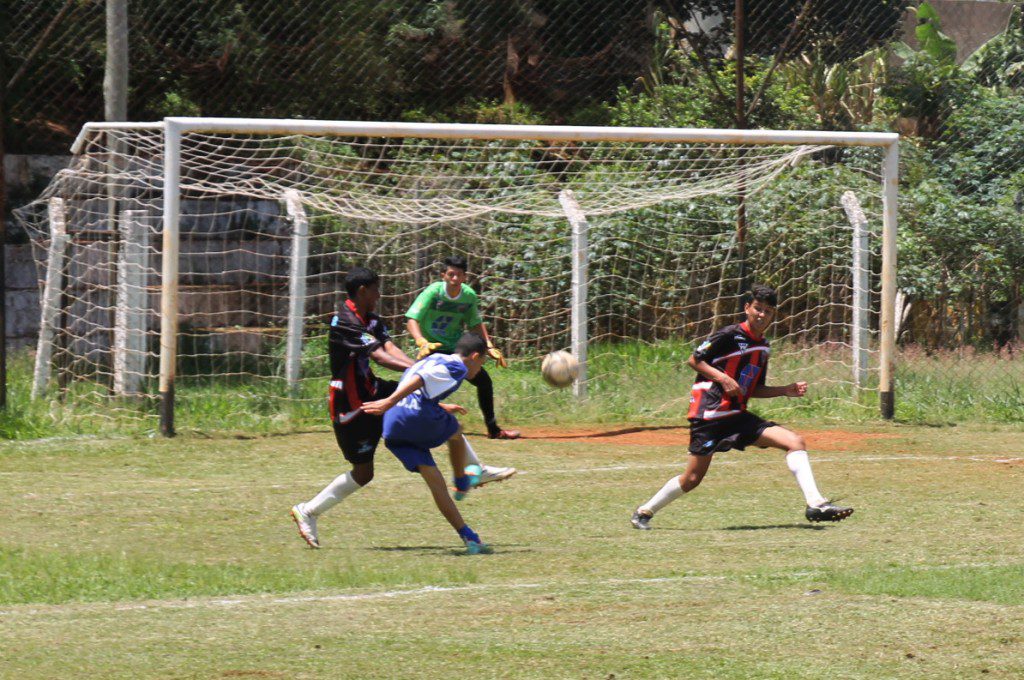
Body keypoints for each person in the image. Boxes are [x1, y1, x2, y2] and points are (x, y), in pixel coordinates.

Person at [288, 266, 504, 549]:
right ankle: (308, 511)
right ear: (363, 291)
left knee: (437, 415)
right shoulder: (345, 321)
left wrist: (423, 371)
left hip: (374, 389)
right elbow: (380, 356)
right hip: (352, 404)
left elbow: (390, 348)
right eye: (375, 290)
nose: (379, 295)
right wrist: (424, 370)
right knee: (363, 473)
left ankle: (474, 470)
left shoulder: (372, 320)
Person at [630, 284, 854, 530]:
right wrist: (723, 378)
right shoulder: (728, 335)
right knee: (692, 479)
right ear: (747, 308)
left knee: (795, 442)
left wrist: (784, 390)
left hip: (737, 416)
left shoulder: (763, 347)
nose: (762, 314)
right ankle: (644, 511)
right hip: (709, 417)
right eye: (758, 308)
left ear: (773, 315)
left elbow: (753, 388)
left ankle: (816, 503)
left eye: (768, 311)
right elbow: (694, 360)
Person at [362, 332, 495, 554]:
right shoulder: (458, 367)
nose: (479, 370)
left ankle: (469, 537)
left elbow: (418, 383)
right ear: (474, 356)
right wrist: (388, 401)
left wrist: (440, 406)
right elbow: (422, 379)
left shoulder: (434, 358)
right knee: (456, 430)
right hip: (412, 414)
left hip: (393, 424)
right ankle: (462, 481)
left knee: (435, 481)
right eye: (481, 363)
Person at [406, 256, 521, 471]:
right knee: (421, 387)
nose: (455, 278)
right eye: (451, 274)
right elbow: (412, 319)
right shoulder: (433, 292)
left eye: (459, 275)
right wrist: (421, 341)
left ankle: (493, 430)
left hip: (457, 349)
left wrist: (489, 346)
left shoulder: (468, 295)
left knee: (484, 382)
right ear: (444, 275)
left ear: (465, 277)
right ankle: (414, 427)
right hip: (432, 347)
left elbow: (475, 323)